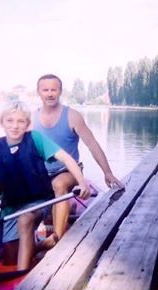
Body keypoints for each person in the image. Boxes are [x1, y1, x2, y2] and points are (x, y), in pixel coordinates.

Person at [0, 102, 90, 270]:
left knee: (25, 220)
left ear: (28, 124)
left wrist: (82, 183)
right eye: (10, 121)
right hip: (11, 207)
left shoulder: (35, 138)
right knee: (10, 257)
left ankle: (21, 275)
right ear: (2, 123)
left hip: (40, 202)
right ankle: (43, 244)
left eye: (21, 122)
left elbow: (67, 158)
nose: (15, 126)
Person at [32, 73, 124, 241]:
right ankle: (52, 221)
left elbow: (92, 144)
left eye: (54, 89)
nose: (50, 93)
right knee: (34, 204)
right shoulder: (31, 119)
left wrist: (107, 172)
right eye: (45, 90)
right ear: (39, 92)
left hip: (69, 170)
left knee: (58, 185)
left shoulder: (72, 116)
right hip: (41, 174)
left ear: (60, 91)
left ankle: (56, 240)